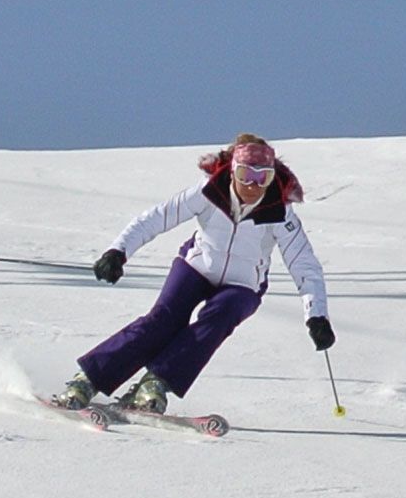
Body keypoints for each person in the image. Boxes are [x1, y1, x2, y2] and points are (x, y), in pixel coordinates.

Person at [52, 133, 335, 414]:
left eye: (263, 178)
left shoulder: (280, 214)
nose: (253, 185)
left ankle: (156, 383)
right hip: (196, 267)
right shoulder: (209, 193)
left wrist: (316, 316)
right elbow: (156, 218)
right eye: (246, 174)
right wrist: (118, 252)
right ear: (232, 171)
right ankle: (88, 380)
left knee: (220, 318)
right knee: (163, 319)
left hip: (243, 284)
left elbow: (304, 265)